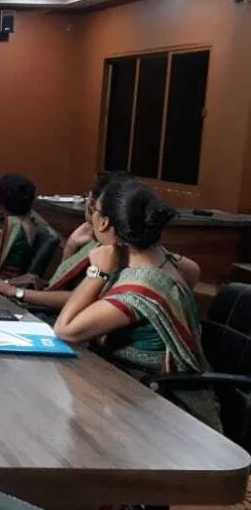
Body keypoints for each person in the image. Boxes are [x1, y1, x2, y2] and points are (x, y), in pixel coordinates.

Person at [53, 178, 220, 430]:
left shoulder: (140, 285)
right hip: (131, 388)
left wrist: (98, 272)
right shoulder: (164, 260)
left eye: (94, 210)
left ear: (105, 222)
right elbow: (193, 269)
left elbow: (66, 330)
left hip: (157, 407)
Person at [0, 172, 125, 309]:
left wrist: (13, 291)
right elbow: (62, 285)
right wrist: (70, 246)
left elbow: (80, 298)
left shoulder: (108, 252)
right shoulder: (92, 241)